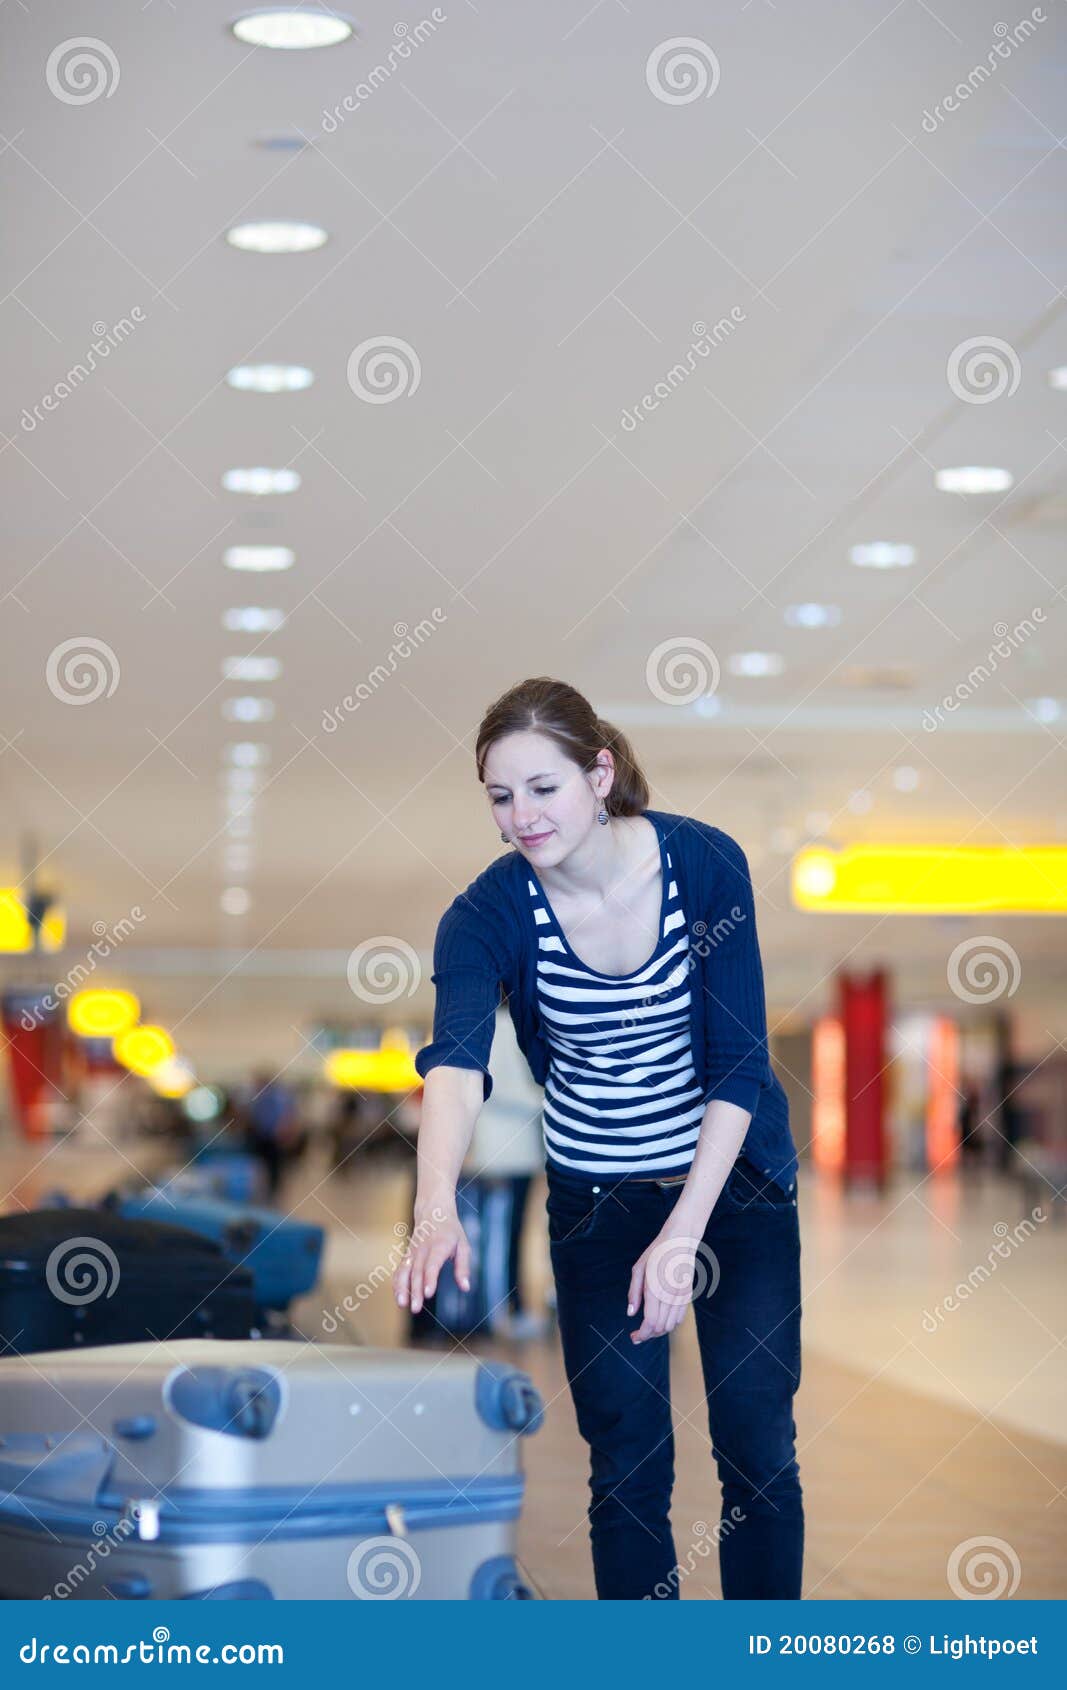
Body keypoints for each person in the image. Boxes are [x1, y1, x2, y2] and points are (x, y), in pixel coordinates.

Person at [393, 676, 803, 1601]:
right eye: (500, 796)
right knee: (623, 1459)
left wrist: (684, 1233)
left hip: (730, 1190)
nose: (522, 816)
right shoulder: (485, 915)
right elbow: (456, 1064)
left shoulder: (702, 865)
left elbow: (738, 1066)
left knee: (755, 1443)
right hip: (597, 1200)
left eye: (543, 787)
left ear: (600, 773)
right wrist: (433, 1208)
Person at [460, 1002, 546, 1338]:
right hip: (508, 1153)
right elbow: (496, 1087)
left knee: (508, 1235)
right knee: (504, 1237)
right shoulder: (502, 1026)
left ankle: (511, 1308)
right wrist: (548, 1098)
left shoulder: (497, 1024)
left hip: (509, 1152)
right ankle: (505, 1311)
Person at [243, 1068, 298, 1200]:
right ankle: (264, 1189)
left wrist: (286, 1134)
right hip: (260, 1137)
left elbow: (287, 1117)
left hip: (273, 1138)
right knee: (261, 1166)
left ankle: (273, 1191)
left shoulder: (279, 1097)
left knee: (274, 1167)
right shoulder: (257, 1097)